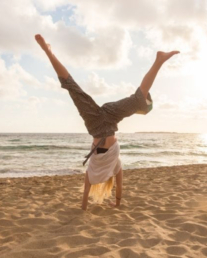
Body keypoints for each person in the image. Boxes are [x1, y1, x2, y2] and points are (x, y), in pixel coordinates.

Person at [35, 34, 179, 211]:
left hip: (100, 125)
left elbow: (99, 189)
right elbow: (109, 188)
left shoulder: (100, 171)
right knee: (136, 97)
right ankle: (159, 61)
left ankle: (48, 51)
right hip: (105, 122)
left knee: (73, 88)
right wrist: (113, 203)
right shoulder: (105, 169)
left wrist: (85, 208)